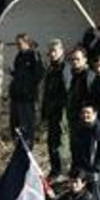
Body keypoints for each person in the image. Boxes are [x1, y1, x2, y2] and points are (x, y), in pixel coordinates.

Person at [9, 34, 44, 148]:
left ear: (26, 42)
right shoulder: (19, 56)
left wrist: (28, 86)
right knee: (15, 125)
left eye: (20, 43)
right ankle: (18, 146)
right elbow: (19, 73)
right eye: (17, 44)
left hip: (27, 97)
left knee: (26, 125)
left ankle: (27, 147)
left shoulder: (34, 55)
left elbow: (38, 74)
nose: (18, 46)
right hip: (17, 95)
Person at [41, 39, 70, 180]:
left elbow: (67, 92)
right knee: (51, 142)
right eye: (50, 51)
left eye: (55, 51)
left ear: (61, 51)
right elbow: (46, 92)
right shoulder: (51, 69)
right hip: (51, 110)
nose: (52, 54)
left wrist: (61, 109)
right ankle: (55, 170)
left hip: (61, 111)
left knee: (61, 142)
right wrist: (44, 111)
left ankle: (63, 171)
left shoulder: (65, 68)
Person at [66, 47, 93, 159]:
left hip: (85, 118)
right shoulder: (74, 76)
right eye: (72, 59)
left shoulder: (88, 76)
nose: (75, 62)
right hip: (74, 117)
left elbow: (91, 98)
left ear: (85, 60)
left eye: (77, 59)